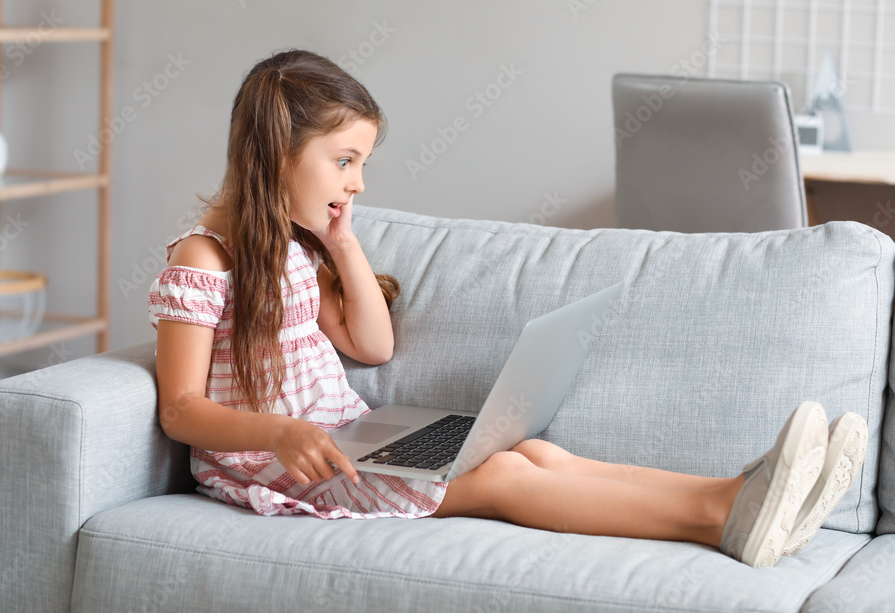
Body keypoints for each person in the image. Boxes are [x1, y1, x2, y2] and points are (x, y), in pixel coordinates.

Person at [148, 48, 868, 569]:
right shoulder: (204, 260)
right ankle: (721, 521)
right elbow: (180, 408)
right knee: (504, 478)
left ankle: (743, 488)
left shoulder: (299, 253)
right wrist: (278, 433)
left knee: (535, 452)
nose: (359, 181)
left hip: (343, 439)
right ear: (276, 154)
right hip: (278, 467)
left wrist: (342, 245)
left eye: (363, 163)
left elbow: (372, 346)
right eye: (344, 161)